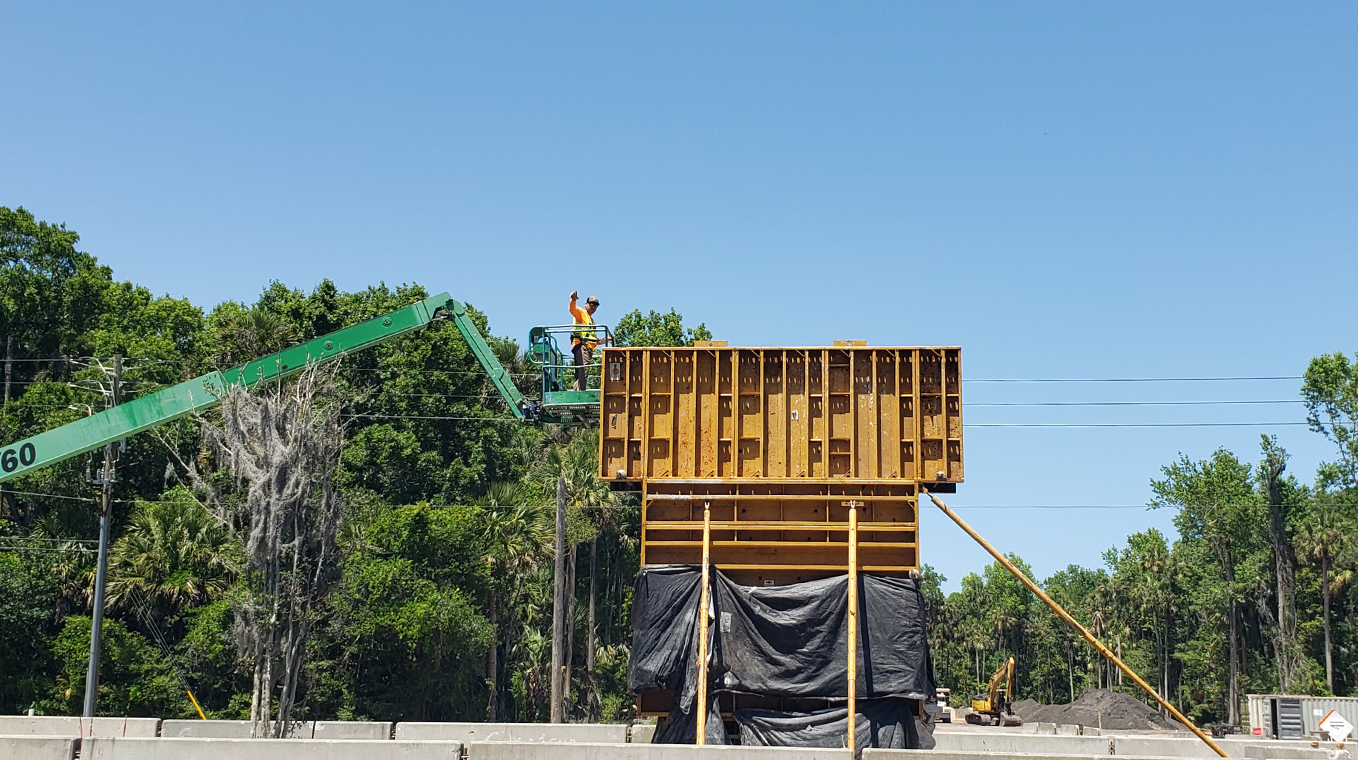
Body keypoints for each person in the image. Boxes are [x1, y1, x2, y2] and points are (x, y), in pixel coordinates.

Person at [568, 291, 600, 391]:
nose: (593, 307)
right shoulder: (582, 313)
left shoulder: (591, 320)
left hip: (587, 349)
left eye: (595, 306)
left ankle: (577, 392)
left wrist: (604, 340)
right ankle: (580, 394)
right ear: (586, 304)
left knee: (582, 371)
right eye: (591, 304)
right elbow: (572, 310)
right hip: (581, 346)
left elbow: (593, 340)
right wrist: (573, 300)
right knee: (583, 371)